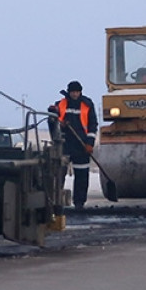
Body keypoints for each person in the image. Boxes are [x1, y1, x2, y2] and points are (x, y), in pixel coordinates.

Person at [48, 80, 98, 210]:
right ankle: (56, 201)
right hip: (64, 144)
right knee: (58, 174)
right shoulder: (60, 104)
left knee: (82, 176)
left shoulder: (87, 105)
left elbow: (92, 125)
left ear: (80, 92)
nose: (75, 94)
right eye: (73, 92)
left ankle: (79, 203)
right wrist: (54, 117)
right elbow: (53, 122)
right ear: (69, 92)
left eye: (77, 92)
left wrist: (90, 143)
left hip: (81, 146)